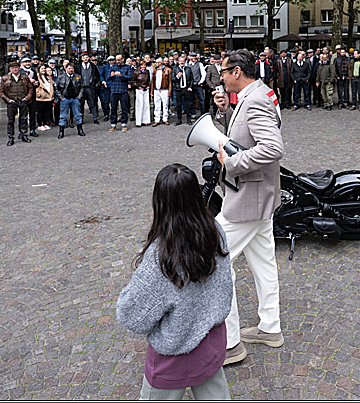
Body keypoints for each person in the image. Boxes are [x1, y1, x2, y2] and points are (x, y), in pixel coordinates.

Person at [116, 164, 233, 400]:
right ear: (195, 196)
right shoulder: (215, 231)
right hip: (210, 344)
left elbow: (131, 316)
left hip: (172, 358)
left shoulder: (160, 257)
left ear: (160, 202)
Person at [211, 50, 285, 366]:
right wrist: (227, 111)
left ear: (237, 71)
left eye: (223, 72)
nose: (221, 78)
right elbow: (246, 134)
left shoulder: (254, 99)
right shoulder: (256, 93)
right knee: (264, 262)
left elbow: (272, 147)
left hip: (248, 198)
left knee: (214, 257)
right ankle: (270, 328)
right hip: (259, 195)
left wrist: (233, 163)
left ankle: (230, 344)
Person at [0, 60, 33, 145]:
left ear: (19, 68)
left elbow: (30, 88)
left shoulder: (25, 77)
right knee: (10, 120)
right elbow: (0, 91)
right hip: (11, 101)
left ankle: (24, 134)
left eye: (16, 67)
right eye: (13, 68)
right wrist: (7, 100)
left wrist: (27, 98)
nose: (15, 69)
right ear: (10, 69)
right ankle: (11, 137)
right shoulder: (5, 78)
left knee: (23, 119)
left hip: (23, 100)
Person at [55, 60, 86, 138]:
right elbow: (56, 88)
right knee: (63, 116)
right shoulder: (61, 77)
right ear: (66, 69)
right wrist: (61, 98)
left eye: (72, 68)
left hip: (75, 98)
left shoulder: (78, 76)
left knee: (78, 115)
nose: (71, 70)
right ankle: (61, 132)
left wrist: (79, 97)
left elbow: (82, 87)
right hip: (65, 99)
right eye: (69, 68)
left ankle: (80, 130)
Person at [107, 54, 131, 132]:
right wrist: (111, 76)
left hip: (123, 90)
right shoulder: (112, 67)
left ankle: (124, 124)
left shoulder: (127, 67)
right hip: (114, 90)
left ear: (123, 59)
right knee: (113, 108)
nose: (118, 61)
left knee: (124, 108)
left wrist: (121, 75)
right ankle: (113, 125)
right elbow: (107, 78)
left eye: (119, 60)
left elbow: (130, 77)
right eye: (117, 60)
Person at [77, 52, 102, 125]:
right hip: (81, 88)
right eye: (84, 57)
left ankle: (95, 118)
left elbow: (97, 76)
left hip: (90, 87)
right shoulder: (78, 67)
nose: (85, 59)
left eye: (87, 57)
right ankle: (81, 119)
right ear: (82, 58)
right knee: (81, 104)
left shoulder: (93, 66)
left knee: (93, 103)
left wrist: (94, 82)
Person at [132, 57, 152, 128]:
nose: (143, 67)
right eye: (142, 65)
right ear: (140, 66)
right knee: (139, 105)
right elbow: (133, 81)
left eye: (144, 65)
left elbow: (149, 80)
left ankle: (146, 120)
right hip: (139, 89)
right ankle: (138, 121)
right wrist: (138, 86)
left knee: (146, 105)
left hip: (146, 89)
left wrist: (148, 86)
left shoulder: (147, 72)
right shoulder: (136, 72)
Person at [151, 56, 171, 126]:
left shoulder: (167, 70)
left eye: (157, 62)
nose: (156, 63)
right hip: (156, 90)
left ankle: (165, 118)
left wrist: (169, 91)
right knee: (157, 105)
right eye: (155, 62)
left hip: (164, 89)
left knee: (165, 105)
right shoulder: (155, 70)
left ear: (161, 63)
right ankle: (157, 119)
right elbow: (153, 81)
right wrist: (152, 91)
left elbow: (170, 81)